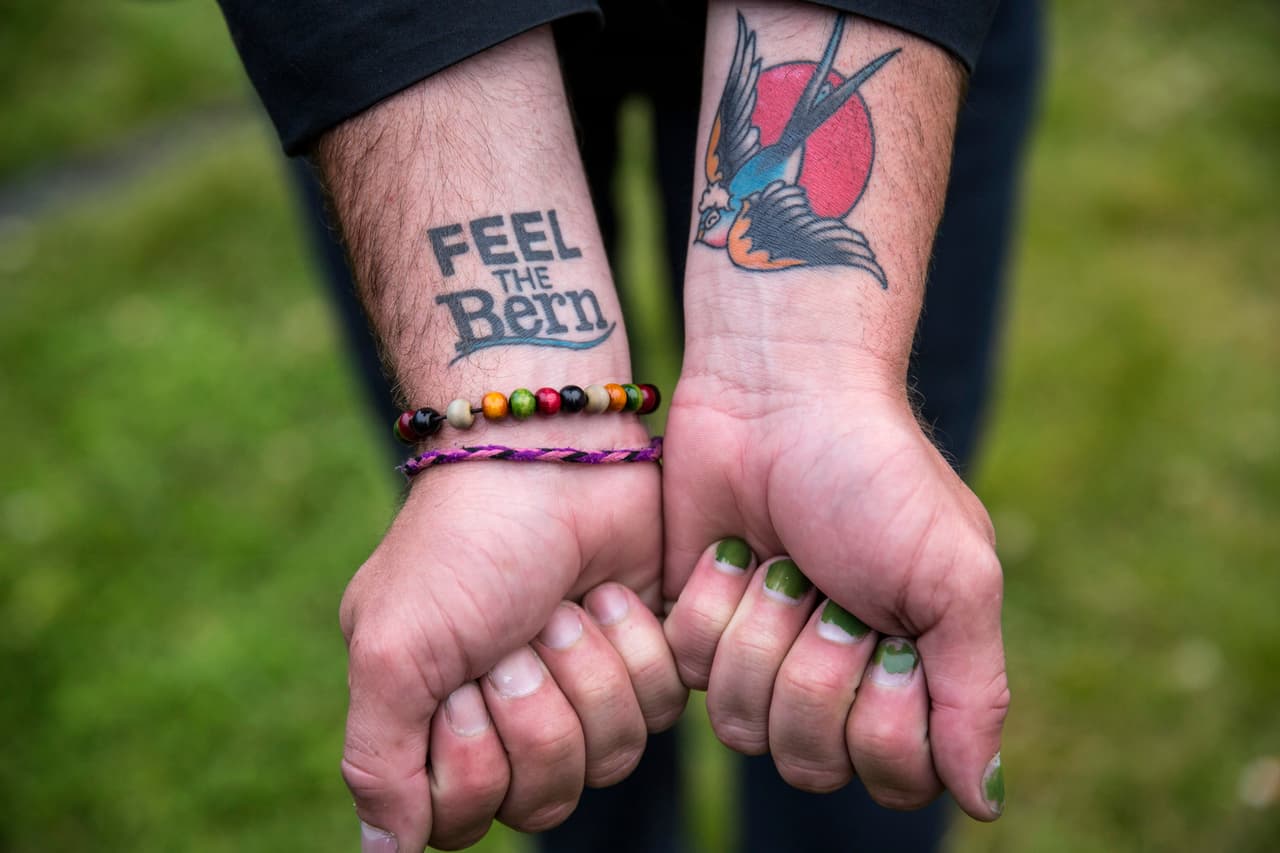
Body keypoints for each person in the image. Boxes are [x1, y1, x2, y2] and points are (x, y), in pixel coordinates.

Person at [216, 1, 1042, 850]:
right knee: (555, 656)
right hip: (388, 44)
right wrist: (519, 445)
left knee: (847, 616)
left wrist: (814, 369)